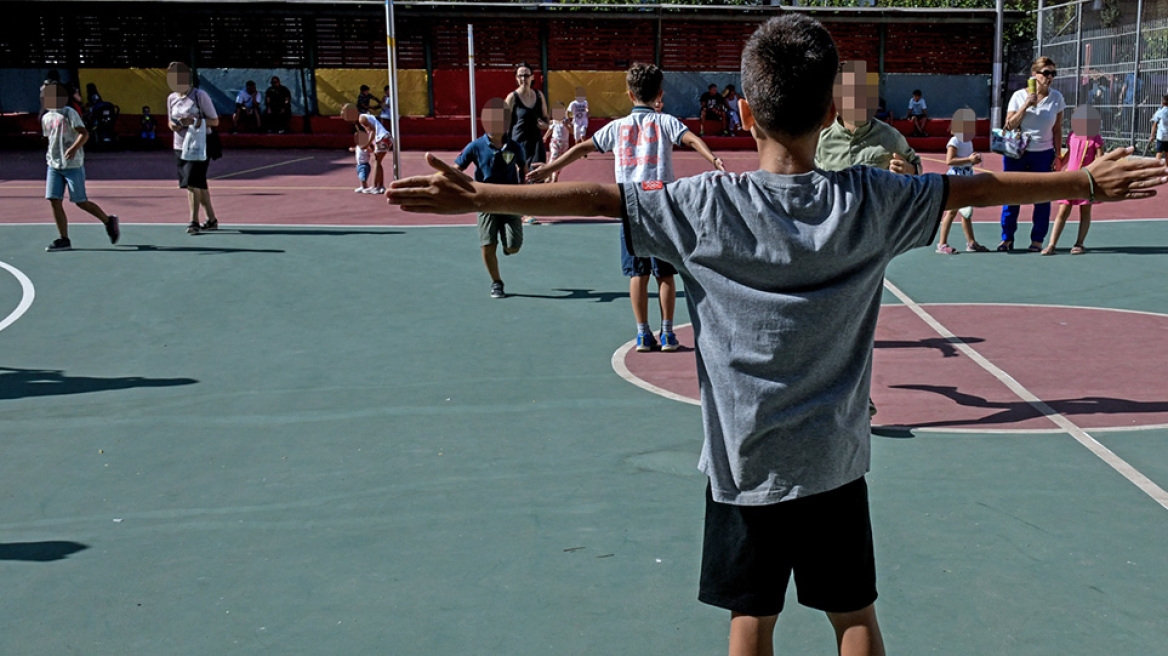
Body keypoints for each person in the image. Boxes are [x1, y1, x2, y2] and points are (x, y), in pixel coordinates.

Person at [389, 16, 1166, 656]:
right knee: (853, 617)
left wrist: (481, 195)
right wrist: (1084, 181)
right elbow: (978, 185)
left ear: (744, 112)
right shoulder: (871, 201)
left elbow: (600, 201)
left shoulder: (703, 206)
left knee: (750, 621)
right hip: (833, 462)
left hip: (745, 464)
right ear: (831, 112)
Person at [526, 62, 724, 353]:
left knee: (637, 273)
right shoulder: (665, 122)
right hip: (661, 207)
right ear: (660, 94)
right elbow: (692, 139)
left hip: (631, 207)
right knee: (665, 274)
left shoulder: (617, 127)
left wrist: (550, 167)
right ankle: (668, 334)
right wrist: (713, 159)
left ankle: (643, 334)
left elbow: (581, 148)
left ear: (630, 95)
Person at [815, 58, 919, 419]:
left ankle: (856, 395)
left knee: (853, 324)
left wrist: (910, 171)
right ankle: (838, 391)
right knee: (829, 325)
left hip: (868, 246)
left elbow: (917, 171)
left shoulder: (889, 138)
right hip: (826, 245)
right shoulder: (821, 140)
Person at [454, 97, 527, 299]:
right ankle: (497, 282)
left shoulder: (515, 146)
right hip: (485, 201)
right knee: (487, 245)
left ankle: (508, 245)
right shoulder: (475, 146)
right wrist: (450, 180)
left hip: (510, 201)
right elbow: (456, 168)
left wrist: (525, 190)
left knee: (513, 247)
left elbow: (523, 168)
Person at [39, 80, 120, 252]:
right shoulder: (46, 117)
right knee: (53, 199)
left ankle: (108, 221)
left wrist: (73, 148)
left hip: (73, 165)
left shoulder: (69, 112)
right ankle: (64, 239)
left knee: (80, 201)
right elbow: (51, 139)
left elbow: (84, 134)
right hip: (54, 165)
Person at [1000, 56, 1066, 252]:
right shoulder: (1019, 96)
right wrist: (1026, 105)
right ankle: (1007, 238)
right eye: (1046, 73)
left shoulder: (1057, 98)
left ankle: (1037, 240)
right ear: (1034, 74)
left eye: (1053, 73)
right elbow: (1009, 125)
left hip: (1043, 153)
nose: (1049, 77)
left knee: (1042, 198)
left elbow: (1057, 129)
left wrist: (1058, 155)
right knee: (1012, 196)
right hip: (1017, 153)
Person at [166, 61, 221, 235]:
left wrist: (194, 121)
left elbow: (215, 121)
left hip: (199, 144)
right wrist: (173, 125)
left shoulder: (199, 95)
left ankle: (193, 221)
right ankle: (211, 219)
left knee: (192, 182)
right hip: (180, 146)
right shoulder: (171, 98)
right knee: (199, 183)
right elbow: (169, 121)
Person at [1044, 105, 1105, 255]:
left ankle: (1079, 243)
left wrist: (1096, 176)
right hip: (1070, 180)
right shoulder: (1072, 136)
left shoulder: (1095, 138)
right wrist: (1059, 164)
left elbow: (1100, 160)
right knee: (1062, 211)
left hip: (1086, 181)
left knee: (1085, 211)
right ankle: (1051, 244)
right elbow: (1069, 155)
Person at [935, 108, 989, 254]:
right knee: (952, 212)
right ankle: (942, 244)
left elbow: (967, 160)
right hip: (956, 179)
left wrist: (974, 160)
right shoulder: (954, 141)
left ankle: (971, 243)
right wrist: (969, 160)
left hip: (967, 177)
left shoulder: (968, 141)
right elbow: (950, 161)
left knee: (966, 212)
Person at [505, 62, 549, 224]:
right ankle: (524, 212)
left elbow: (546, 118)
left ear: (532, 77)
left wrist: (545, 126)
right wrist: (503, 144)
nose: (523, 78)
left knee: (536, 175)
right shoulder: (512, 97)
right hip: (517, 143)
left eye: (526, 75)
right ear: (516, 78)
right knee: (520, 176)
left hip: (535, 142)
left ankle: (527, 209)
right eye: (520, 75)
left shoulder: (539, 95)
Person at [357, 113, 392, 194]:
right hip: (385, 137)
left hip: (382, 138)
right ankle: (380, 186)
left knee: (376, 162)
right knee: (378, 162)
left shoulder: (362, 118)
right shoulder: (367, 118)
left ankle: (374, 186)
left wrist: (367, 145)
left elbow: (373, 131)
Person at [541, 103, 570, 183]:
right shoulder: (554, 120)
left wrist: (566, 125)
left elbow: (572, 131)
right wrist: (545, 137)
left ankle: (555, 176)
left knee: (560, 161)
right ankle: (548, 175)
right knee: (553, 157)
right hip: (555, 141)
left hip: (564, 144)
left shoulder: (567, 121)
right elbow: (550, 130)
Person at [1149, 94, 1168, 165]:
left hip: (1161, 136)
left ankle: (1156, 167)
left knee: (1159, 152)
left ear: (1162, 103)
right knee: (1167, 153)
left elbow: (1154, 125)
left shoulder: (1159, 112)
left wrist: (1152, 136)